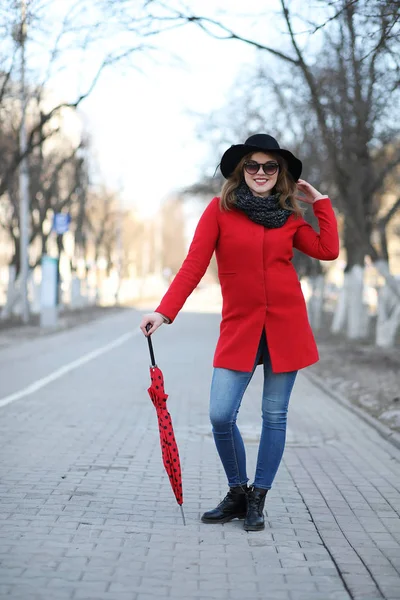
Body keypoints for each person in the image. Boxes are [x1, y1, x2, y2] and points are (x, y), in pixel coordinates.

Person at [140, 134, 339, 531]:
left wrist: (320, 202)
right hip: (240, 328)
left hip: (286, 327)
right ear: (240, 170)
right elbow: (194, 264)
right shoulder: (219, 210)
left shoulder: (289, 215)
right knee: (219, 414)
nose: (261, 173)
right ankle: (237, 492)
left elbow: (327, 249)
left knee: (274, 415)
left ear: (279, 172)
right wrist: (164, 312)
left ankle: (258, 499)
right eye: (253, 165)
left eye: (270, 166)